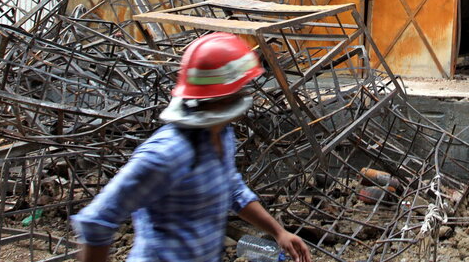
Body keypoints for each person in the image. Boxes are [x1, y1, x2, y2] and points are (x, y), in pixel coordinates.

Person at [71, 32, 312, 262]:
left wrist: (279, 233)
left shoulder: (221, 134)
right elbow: (97, 220)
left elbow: (232, 189)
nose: (247, 92)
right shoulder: (166, 154)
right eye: (242, 87)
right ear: (225, 97)